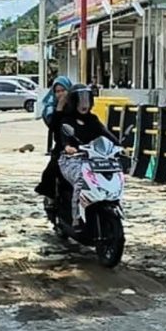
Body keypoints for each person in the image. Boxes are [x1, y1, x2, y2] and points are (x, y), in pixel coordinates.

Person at [57, 84, 116, 229]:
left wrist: (119, 145)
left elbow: (105, 133)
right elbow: (64, 138)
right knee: (81, 180)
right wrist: (67, 147)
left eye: (87, 100)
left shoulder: (93, 119)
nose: (84, 104)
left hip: (94, 159)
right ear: (73, 101)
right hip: (71, 159)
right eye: (80, 100)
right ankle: (76, 218)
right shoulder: (67, 120)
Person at [35, 76, 72, 200]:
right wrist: (60, 108)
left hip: (79, 146)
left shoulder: (77, 105)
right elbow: (53, 126)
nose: (61, 93)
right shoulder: (51, 108)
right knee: (51, 171)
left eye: (63, 90)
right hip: (61, 147)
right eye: (57, 91)